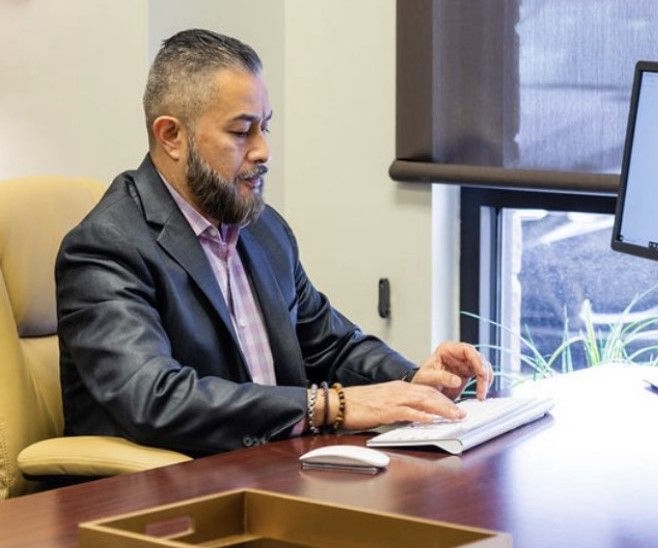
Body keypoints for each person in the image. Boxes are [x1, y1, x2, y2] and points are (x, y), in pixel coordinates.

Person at [56, 28, 491, 455]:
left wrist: (415, 382)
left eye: (265, 127)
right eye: (242, 131)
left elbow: (330, 344)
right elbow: (155, 398)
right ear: (172, 135)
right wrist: (329, 406)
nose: (264, 151)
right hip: (156, 501)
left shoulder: (263, 230)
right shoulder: (105, 248)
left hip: (269, 468)